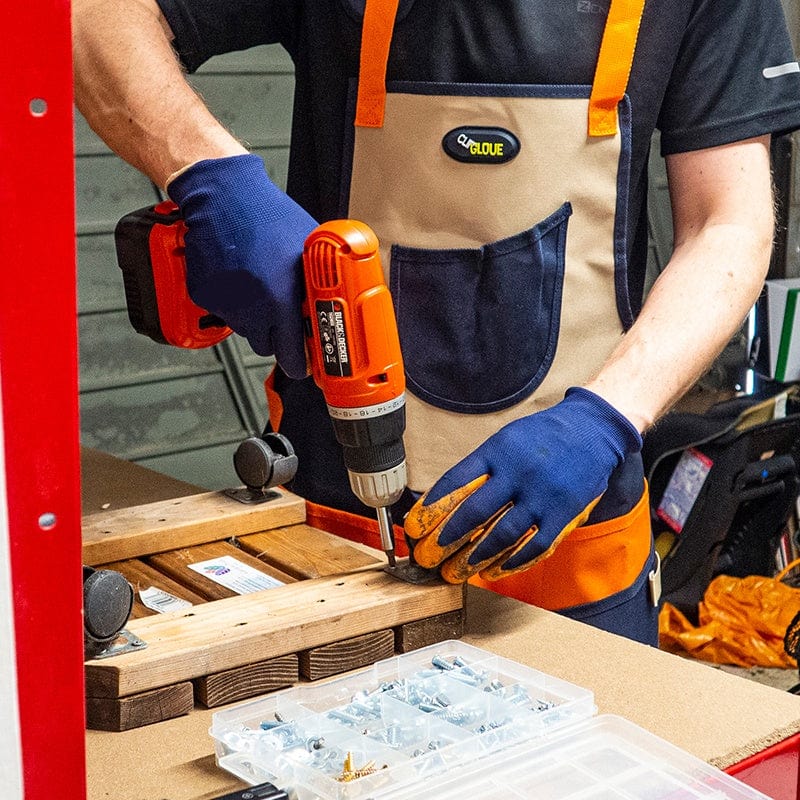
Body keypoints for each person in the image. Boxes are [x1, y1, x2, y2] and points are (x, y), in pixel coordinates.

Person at [72, 0, 800, 646]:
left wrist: (608, 418)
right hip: (333, 540)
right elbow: (86, 17)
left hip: (579, 554)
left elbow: (728, 225)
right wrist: (207, 174)